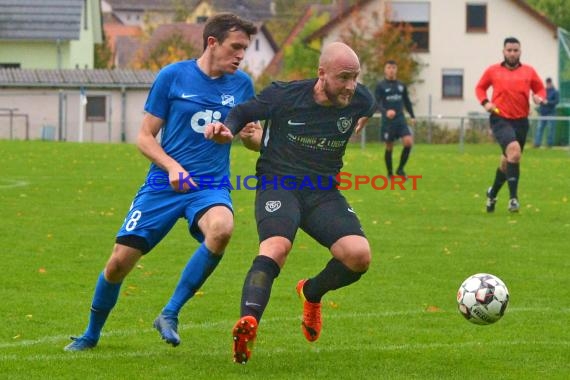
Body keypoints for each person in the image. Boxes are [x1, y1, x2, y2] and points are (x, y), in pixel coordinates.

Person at [64, 13, 259, 351]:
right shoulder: (173, 76)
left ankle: (169, 312)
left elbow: (251, 139)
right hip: (162, 185)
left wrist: (247, 135)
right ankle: (91, 334)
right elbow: (144, 136)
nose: (241, 55)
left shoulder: (242, 86)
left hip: (210, 185)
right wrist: (171, 167)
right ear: (212, 43)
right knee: (118, 263)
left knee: (222, 228)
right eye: (236, 47)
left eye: (245, 48)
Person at [205, 41, 376, 364]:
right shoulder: (285, 95)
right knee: (276, 247)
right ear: (321, 73)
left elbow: (367, 107)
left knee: (358, 256)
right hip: (278, 183)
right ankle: (249, 323)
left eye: (355, 77)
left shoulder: (361, 99)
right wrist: (226, 129)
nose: (351, 86)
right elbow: (244, 111)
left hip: (323, 191)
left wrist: (357, 123)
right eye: (343, 77)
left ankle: (311, 293)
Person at [475, 36, 546, 213]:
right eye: (509, 50)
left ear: (520, 51)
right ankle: (513, 199)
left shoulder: (529, 71)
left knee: (508, 161)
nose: (512, 53)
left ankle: (492, 194)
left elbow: (540, 89)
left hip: (521, 121)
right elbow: (480, 88)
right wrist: (485, 103)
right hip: (500, 118)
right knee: (514, 151)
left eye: (515, 50)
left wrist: (539, 97)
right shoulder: (493, 70)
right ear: (503, 51)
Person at [374, 60, 416, 178]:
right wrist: (385, 112)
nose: (391, 70)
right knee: (389, 146)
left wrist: (412, 115)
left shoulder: (401, 85)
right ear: (385, 70)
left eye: (393, 67)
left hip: (400, 119)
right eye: (389, 67)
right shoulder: (381, 86)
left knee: (408, 142)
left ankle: (400, 170)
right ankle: (390, 173)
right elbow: (376, 103)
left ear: (396, 69)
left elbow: (407, 101)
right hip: (388, 122)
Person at [534, 77, 559, 148]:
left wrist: (548, 102)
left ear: (551, 83)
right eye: (547, 83)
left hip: (551, 113)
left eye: (549, 83)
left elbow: (556, 101)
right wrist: (540, 100)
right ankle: (537, 143)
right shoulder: (543, 91)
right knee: (539, 128)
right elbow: (539, 99)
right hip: (543, 113)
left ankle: (549, 144)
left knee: (551, 129)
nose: (548, 84)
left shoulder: (555, 92)